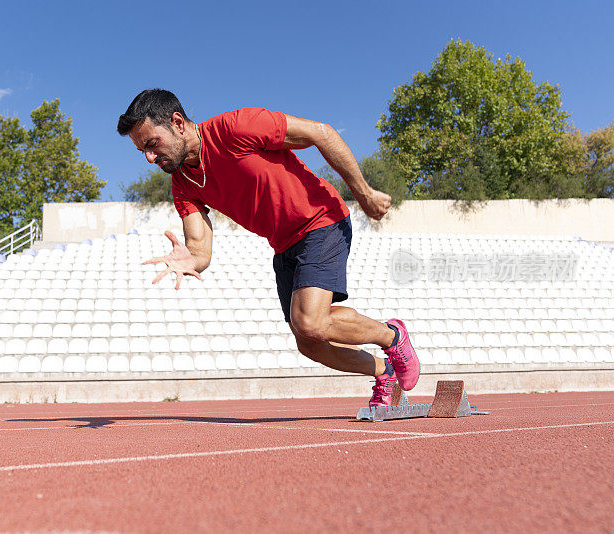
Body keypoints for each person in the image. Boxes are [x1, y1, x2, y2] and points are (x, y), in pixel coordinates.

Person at [117, 88, 419, 407]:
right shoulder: (182, 185)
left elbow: (321, 132)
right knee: (309, 343)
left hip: (320, 219)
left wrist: (364, 193)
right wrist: (188, 259)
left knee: (310, 322)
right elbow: (200, 250)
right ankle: (383, 370)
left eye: (152, 144)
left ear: (178, 123)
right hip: (284, 243)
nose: (151, 158)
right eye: (142, 152)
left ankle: (392, 336)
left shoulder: (236, 128)